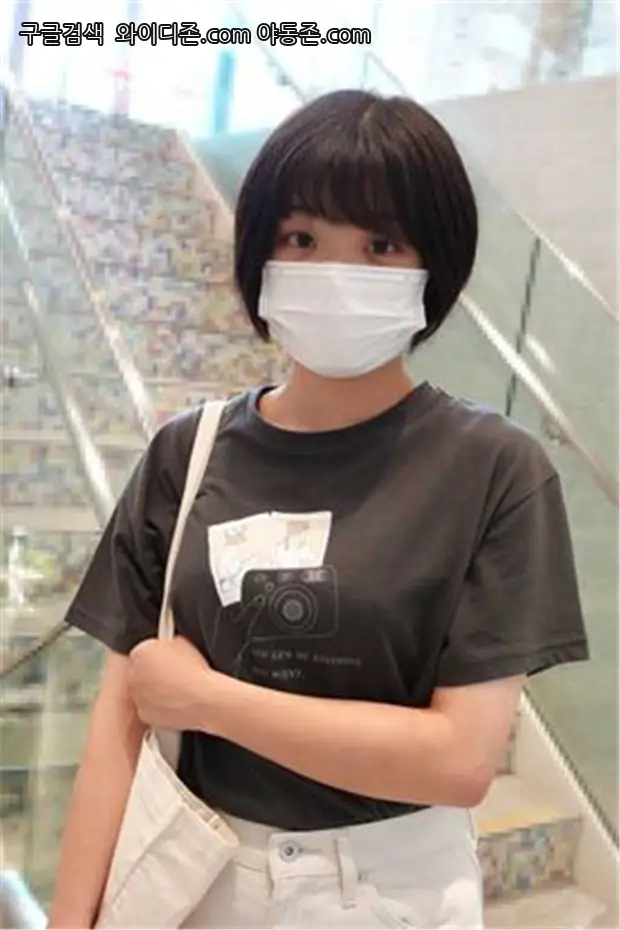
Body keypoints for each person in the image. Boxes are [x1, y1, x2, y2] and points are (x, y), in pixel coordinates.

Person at [48, 89, 588, 929]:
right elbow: (120, 718)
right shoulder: (186, 454)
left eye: (382, 244)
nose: (338, 272)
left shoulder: (495, 469)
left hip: (388, 896)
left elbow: (459, 762)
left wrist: (209, 701)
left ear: (434, 266)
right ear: (260, 252)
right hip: (192, 878)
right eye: (302, 238)